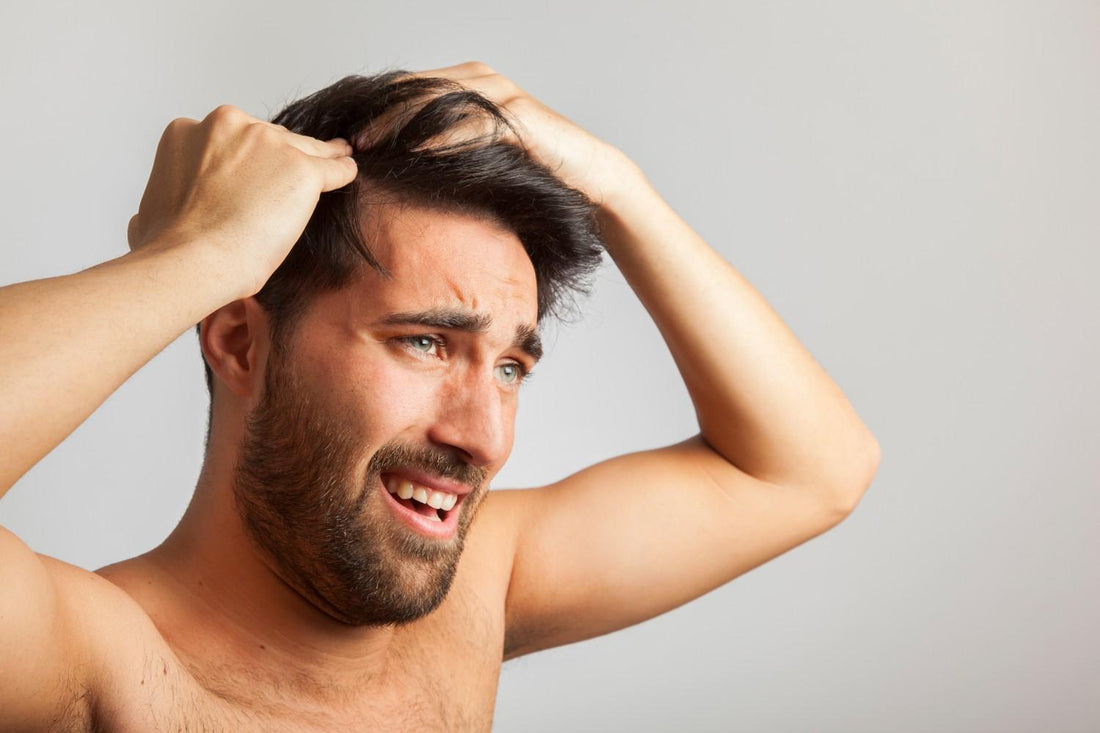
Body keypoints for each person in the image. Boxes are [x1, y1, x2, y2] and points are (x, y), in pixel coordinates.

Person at [0, 62, 880, 731]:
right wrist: (190, 260)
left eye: (510, 366)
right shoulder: (91, 662)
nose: (484, 436)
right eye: (424, 342)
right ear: (236, 338)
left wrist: (617, 187)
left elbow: (810, 469)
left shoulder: (473, 592)